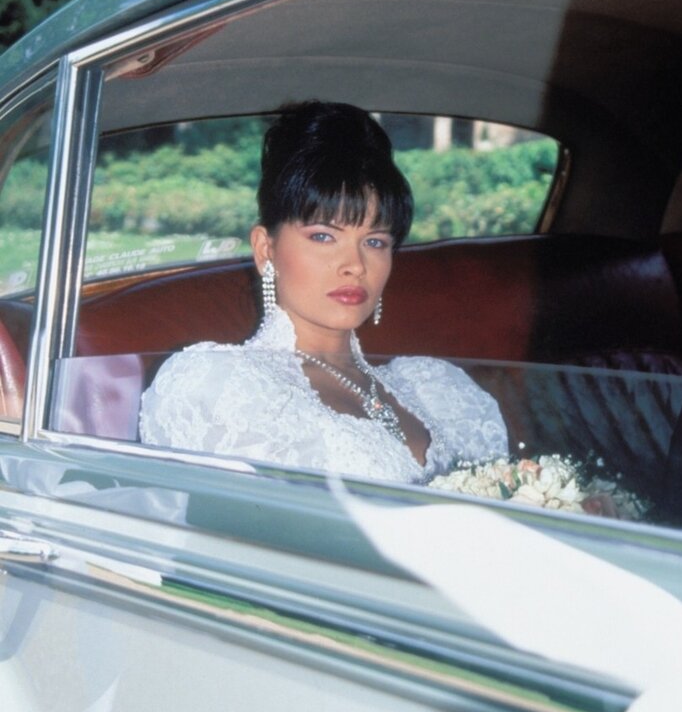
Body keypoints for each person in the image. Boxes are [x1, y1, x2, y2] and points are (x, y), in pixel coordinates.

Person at [139, 101, 508, 482]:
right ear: (265, 249)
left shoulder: (437, 388)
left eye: (375, 242)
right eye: (323, 236)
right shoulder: (221, 386)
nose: (355, 264)